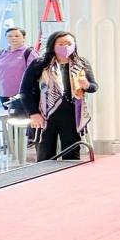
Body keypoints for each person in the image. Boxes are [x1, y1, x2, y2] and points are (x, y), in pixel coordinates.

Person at [20, 31, 97, 161]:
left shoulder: (81, 63)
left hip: (72, 116)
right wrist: (33, 113)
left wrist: (86, 85)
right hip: (45, 116)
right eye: (60, 44)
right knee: (45, 156)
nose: (65, 47)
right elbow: (25, 91)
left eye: (69, 43)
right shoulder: (40, 64)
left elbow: (94, 87)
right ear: (52, 45)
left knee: (72, 156)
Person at [0, 27, 35, 107]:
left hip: (22, 95)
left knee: (22, 115)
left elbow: (36, 74)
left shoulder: (29, 53)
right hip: (4, 94)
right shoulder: (0, 53)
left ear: (24, 38)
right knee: (9, 114)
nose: (13, 38)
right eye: (9, 36)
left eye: (17, 36)